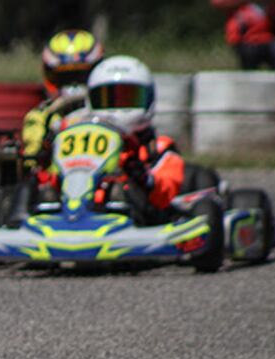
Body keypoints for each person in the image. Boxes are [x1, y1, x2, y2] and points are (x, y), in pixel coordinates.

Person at [84, 55, 186, 223]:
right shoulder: (86, 143)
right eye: (109, 99)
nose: (117, 109)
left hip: (139, 216)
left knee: (126, 189)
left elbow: (166, 193)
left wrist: (144, 178)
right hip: (84, 209)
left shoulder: (159, 149)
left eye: (128, 98)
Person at [21, 29, 104, 164]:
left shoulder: (107, 110)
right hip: (57, 176)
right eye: (65, 77)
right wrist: (48, 138)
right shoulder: (41, 117)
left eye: (80, 76)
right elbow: (31, 162)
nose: (74, 86)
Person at [212, 1, 275, 70]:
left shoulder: (270, 7)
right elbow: (217, 2)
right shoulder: (240, 10)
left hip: (269, 40)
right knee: (249, 69)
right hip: (247, 42)